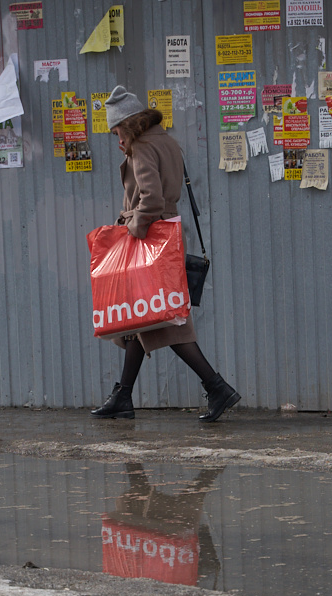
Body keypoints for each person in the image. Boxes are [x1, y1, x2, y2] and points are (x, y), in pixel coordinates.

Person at [91, 85, 240, 422]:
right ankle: (124, 396)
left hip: (150, 241)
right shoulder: (166, 140)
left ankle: (216, 387)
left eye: (117, 132)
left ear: (128, 126)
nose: (117, 140)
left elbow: (152, 198)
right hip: (167, 236)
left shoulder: (142, 146)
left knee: (160, 319)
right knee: (143, 317)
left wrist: (134, 231)